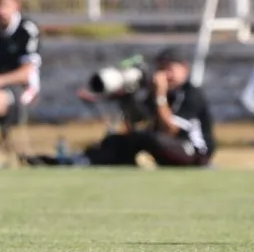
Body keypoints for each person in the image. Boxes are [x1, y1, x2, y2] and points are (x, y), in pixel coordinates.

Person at [78, 48, 216, 167]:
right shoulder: (158, 92)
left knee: (154, 140)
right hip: (165, 144)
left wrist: (160, 95)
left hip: (194, 151)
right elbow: (138, 123)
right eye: (161, 69)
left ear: (184, 69)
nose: (165, 75)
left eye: (169, 69)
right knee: (116, 141)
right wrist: (126, 98)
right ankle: (84, 160)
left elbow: (170, 129)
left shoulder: (191, 94)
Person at [0, 0, 41, 148]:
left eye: (4, 5)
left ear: (16, 4)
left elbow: (26, 73)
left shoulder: (26, 30)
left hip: (23, 88)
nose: (0, 11)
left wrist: (1, 80)